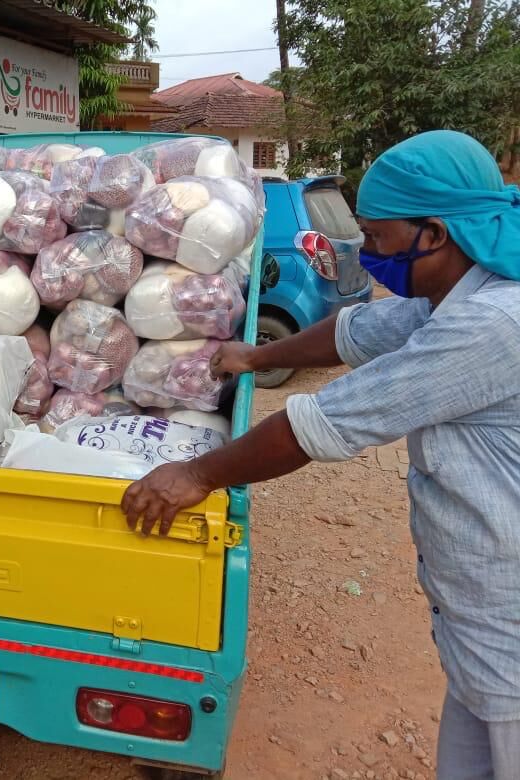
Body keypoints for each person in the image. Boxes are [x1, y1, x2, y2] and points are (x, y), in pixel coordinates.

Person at [121, 130, 520, 779]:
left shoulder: (492, 325)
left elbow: (319, 424)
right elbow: (354, 330)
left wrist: (195, 473)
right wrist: (255, 355)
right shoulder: (454, 297)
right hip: (479, 616)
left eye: (378, 234)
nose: (369, 251)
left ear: (437, 234)